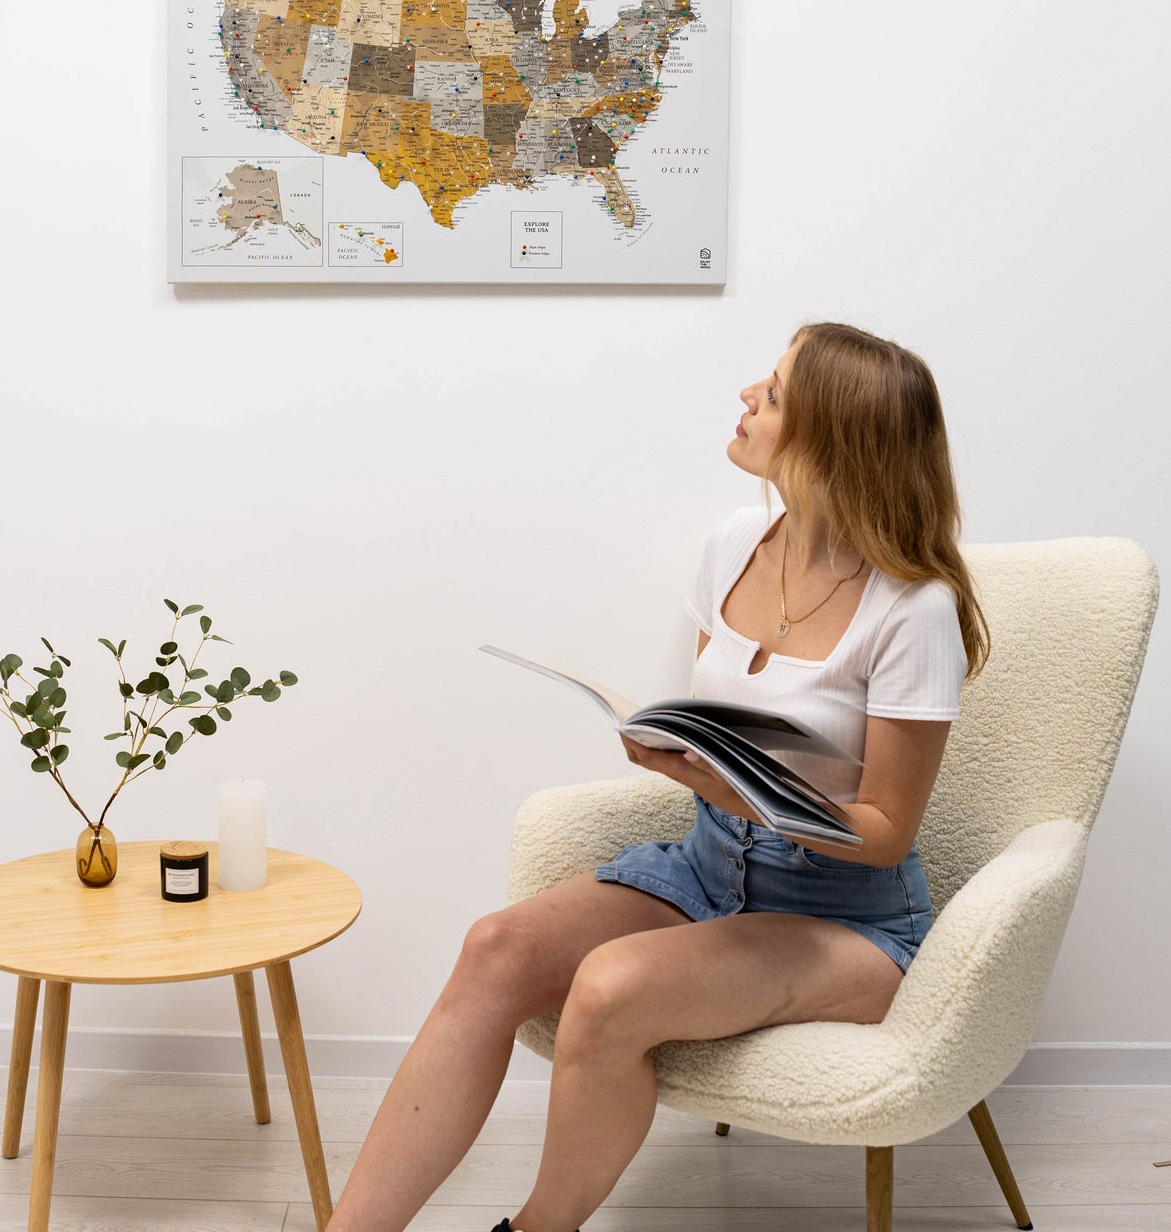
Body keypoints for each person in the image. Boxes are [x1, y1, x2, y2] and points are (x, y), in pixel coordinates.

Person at [325, 321, 990, 1232]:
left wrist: (724, 784)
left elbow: (884, 832)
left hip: (844, 916)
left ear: (834, 435)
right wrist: (684, 751)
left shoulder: (913, 609)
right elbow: (722, 719)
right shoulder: (735, 543)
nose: (747, 396)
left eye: (775, 391)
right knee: (494, 948)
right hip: (709, 867)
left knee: (608, 985)